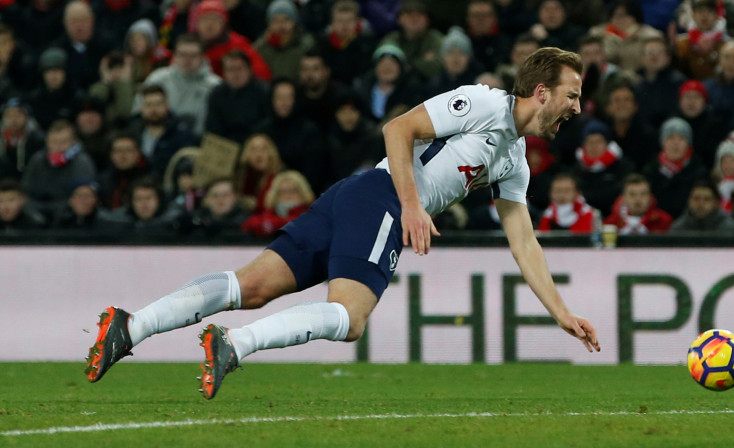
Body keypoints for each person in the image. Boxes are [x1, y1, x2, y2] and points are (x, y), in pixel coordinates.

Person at [85, 47, 601, 400]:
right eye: (572, 95)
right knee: (350, 319)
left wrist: (561, 312)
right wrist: (413, 206)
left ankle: (129, 327)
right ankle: (235, 344)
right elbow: (398, 128)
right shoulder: (486, 102)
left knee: (255, 285)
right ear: (540, 91)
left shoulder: (515, 159)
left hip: (358, 196)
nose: (576, 107)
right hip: (381, 199)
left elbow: (524, 241)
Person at [136, 33, 222, 136]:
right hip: (160, 139)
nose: (187, 60)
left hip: (199, 142)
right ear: (175, 55)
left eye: (193, 55)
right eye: (182, 54)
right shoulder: (158, 79)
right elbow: (137, 111)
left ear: (202, 57)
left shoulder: (215, 86)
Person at [642, 117, 707, 218]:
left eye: (681, 138)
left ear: (688, 144)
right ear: (663, 142)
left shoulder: (700, 173)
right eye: (671, 138)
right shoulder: (650, 171)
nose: (675, 143)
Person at [205, 50, 270, 144]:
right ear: (224, 73)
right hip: (226, 146)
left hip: (256, 144)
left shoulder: (264, 92)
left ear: (249, 70)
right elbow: (213, 129)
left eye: (239, 68)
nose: (235, 74)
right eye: (230, 69)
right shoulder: (217, 94)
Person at [240, 170, 314, 237]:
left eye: (293, 191)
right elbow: (248, 225)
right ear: (275, 195)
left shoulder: (310, 215)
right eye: (282, 192)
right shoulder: (268, 214)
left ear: (303, 192)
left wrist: (271, 225)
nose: (288, 196)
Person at [604, 173, 672, 234]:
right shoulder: (611, 223)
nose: (638, 199)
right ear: (623, 198)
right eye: (632, 194)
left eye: (643, 194)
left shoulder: (663, 221)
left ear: (650, 197)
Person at [670, 180, 734, 232]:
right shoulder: (678, 228)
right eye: (696, 199)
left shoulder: (730, 229)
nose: (701, 203)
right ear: (689, 201)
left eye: (707, 199)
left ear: (716, 203)